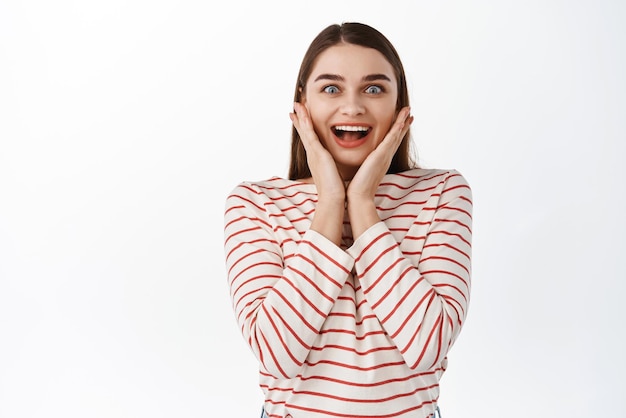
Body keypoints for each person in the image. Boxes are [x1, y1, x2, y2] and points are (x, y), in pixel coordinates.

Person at [224, 22, 472, 418]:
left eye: (374, 89)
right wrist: (330, 203)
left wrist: (362, 204)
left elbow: (427, 346)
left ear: (399, 104)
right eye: (331, 88)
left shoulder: (442, 192)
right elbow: (276, 354)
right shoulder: (256, 203)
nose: (353, 107)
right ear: (302, 103)